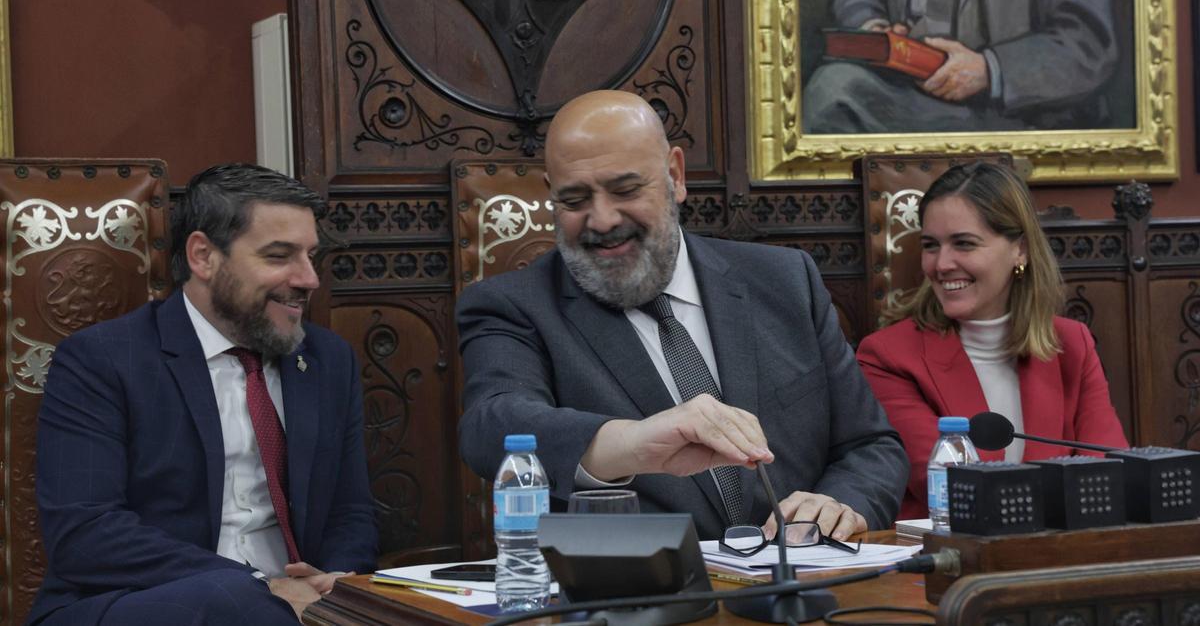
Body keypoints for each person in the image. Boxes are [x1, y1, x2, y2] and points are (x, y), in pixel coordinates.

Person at [456, 90, 907, 541]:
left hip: (804, 574)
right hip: (643, 580)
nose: (603, 219)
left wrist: (837, 505)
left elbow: (870, 446)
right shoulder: (515, 305)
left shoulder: (786, 280)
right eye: (574, 200)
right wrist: (635, 441)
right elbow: (492, 425)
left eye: (626, 190)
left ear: (675, 175)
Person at [31, 165, 377, 625]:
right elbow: (86, 533)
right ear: (203, 256)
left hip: (299, 606)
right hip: (144, 602)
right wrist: (259, 588)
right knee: (228, 600)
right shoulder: (103, 360)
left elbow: (351, 512)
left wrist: (334, 584)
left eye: (311, 256)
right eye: (279, 256)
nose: (309, 279)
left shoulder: (327, 360)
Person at [856, 161, 1129, 519]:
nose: (942, 264)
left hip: (1062, 548)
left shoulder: (1071, 344)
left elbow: (1109, 475)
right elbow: (954, 487)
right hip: (950, 550)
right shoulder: (889, 357)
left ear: (1020, 250)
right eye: (931, 245)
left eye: (964, 244)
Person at [802, 0, 1119, 133]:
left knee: (834, 90)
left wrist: (989, 70)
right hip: (907, 93)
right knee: (830, 90)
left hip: (1016, 116)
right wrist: (876, 28)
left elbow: (1088, 45)